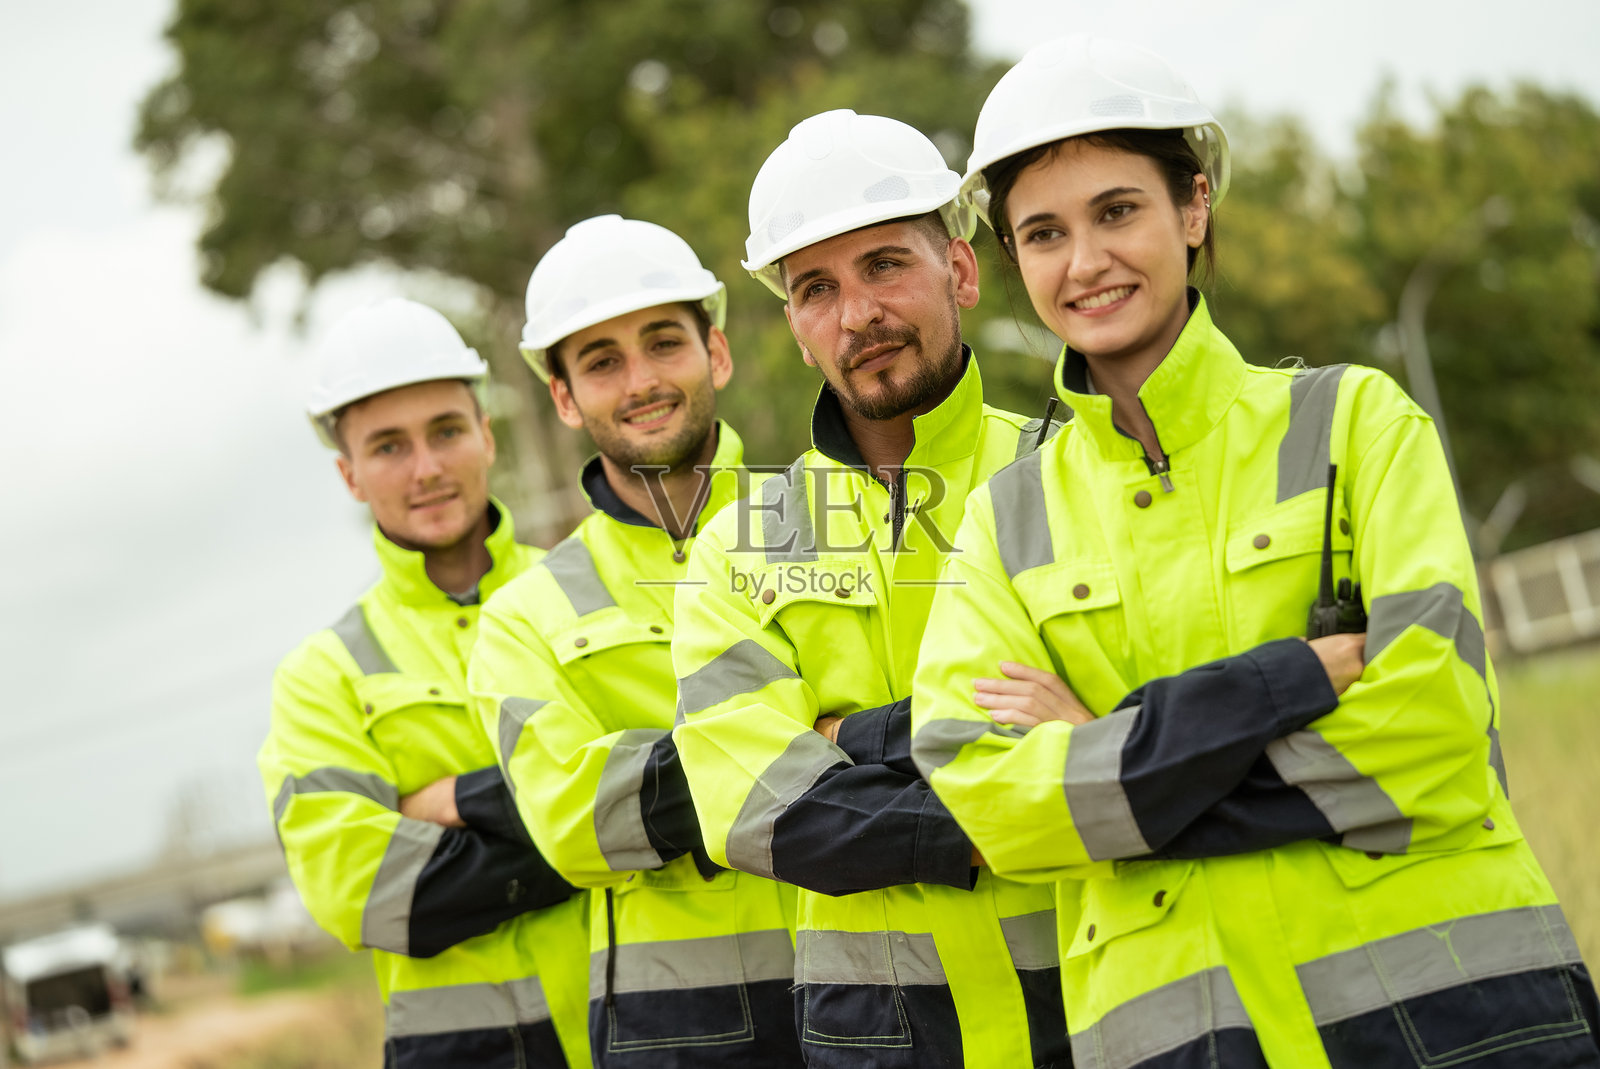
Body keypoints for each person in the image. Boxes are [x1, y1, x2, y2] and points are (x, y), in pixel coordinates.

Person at [911, 35, 1600, 1069]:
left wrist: (1111, 752)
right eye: (1044, 233)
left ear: (1193, 207)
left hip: (1455, 1016)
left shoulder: (1356, 424)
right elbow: (992, 804)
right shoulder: (1001, 524)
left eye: (1117, 211)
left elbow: (1435, 722)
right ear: (1012, 257)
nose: (1085, 262)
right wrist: (1274, 690)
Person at [669, 109, 1071, 1069]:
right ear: (795, 329)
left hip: (1092, 997)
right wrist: (1021, 793)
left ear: (960, 270)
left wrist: (843, 737)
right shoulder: (738, 546)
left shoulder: (1075, 473)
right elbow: (756, 809)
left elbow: (1140, 720)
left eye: (884, 265)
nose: (857, 315)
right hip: (877, 1036)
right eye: (817, 288)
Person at [468, 215, 803, 1067]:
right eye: (602, 361)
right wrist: (814, 740)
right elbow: (574, 823)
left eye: (663, 342)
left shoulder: (833, 528)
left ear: (716, 352)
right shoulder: (523, 617)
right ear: (564, 398)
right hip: (676, 1032)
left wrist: (663, 770)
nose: (642, 380)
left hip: (878, 986)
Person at [259, 299, 591, 1068]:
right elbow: (358, 889)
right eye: (389, 446)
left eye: (445, 431)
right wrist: (594, 830)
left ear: (486, 435)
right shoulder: (322, 677)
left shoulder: (589, 594)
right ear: (349, 474)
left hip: (644, 1032)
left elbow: (686, 790)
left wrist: (452, 804)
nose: (427, 467)